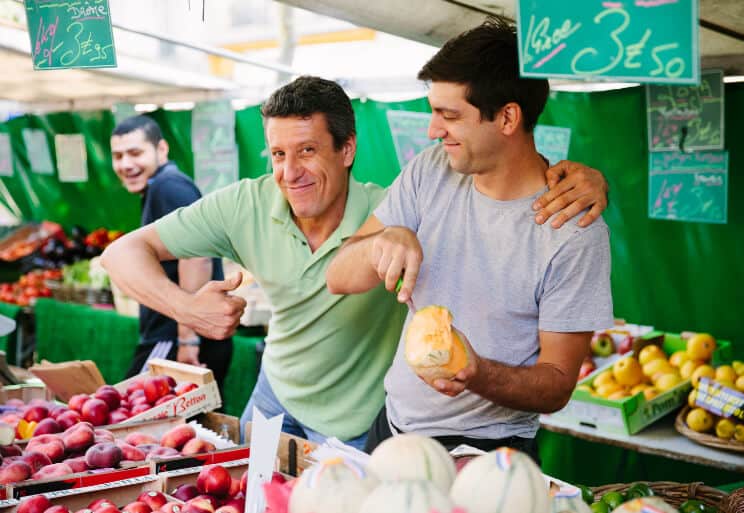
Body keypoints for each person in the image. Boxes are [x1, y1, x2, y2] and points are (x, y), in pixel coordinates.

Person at [102, 76, 608, 451]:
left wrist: (582, 179)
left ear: (347, 149)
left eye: (306, 151)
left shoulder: (396, 207)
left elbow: (500, 188)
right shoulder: (243, 204)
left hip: (357, 421)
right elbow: (121, 252)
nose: (289, 172)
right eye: (277, 154)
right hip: (274, 392)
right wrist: (186, 309)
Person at [326, 17, 614, 460]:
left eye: (450, 115)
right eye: (433, 111)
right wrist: (383, 242)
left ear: (507, 117)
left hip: (486, 453)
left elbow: (557, 382)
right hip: (392, 429)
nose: (433, 129)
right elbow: (338, 275)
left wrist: (475, 372)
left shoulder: (574, 231)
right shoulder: (430, 169)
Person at [109, 115, 233, 402]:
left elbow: (195, 257)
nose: (126, 164)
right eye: (118, 156)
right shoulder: (161, 186)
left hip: (177, 339)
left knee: (131, 414)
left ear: (161, 150)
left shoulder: (168, 187)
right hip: (184, 335)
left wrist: (187, 340)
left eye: (135, 153)